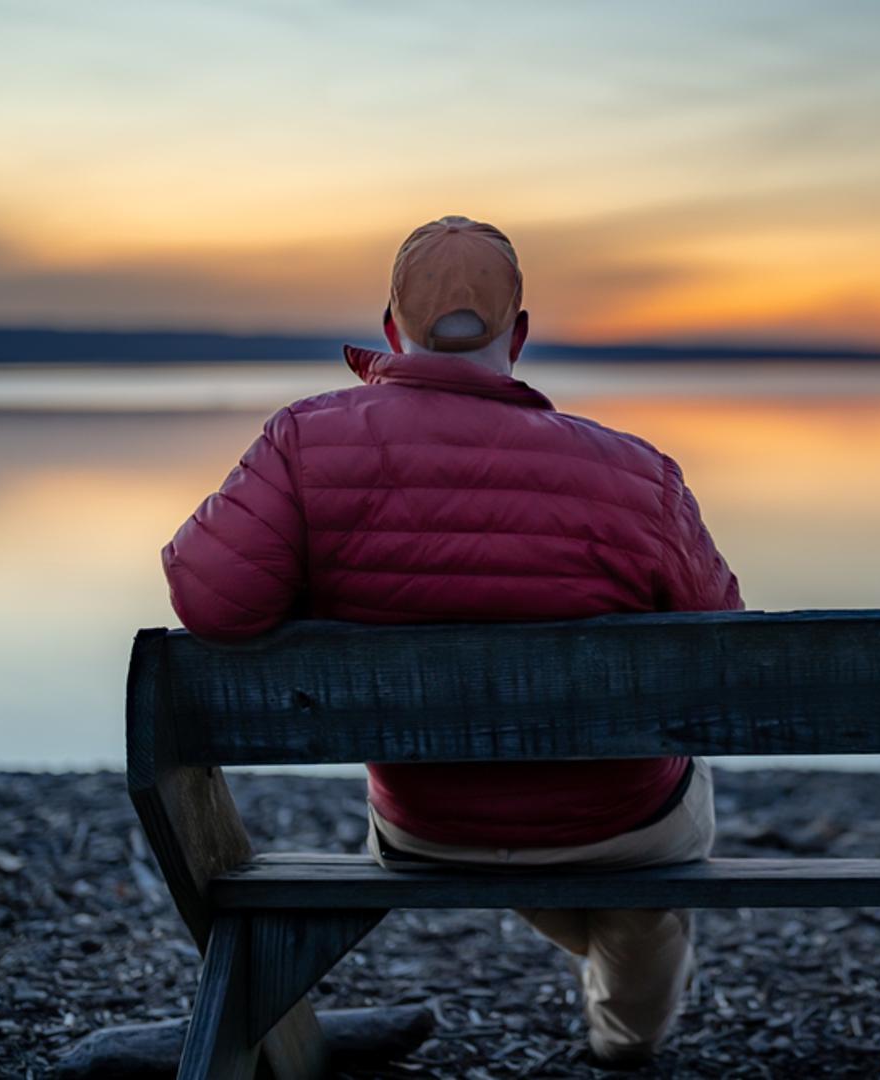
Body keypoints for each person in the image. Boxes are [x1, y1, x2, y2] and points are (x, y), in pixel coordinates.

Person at [161, 214, 742, 1066]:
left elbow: (213, 605)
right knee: (646, 873)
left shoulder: (303, 445)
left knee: (525, 825)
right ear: (521, 337)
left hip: (426, 821)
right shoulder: (636, 474)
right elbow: (721, 657)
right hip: (622, 819)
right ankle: (626, 1037)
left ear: (393, 329)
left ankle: (613, 987)